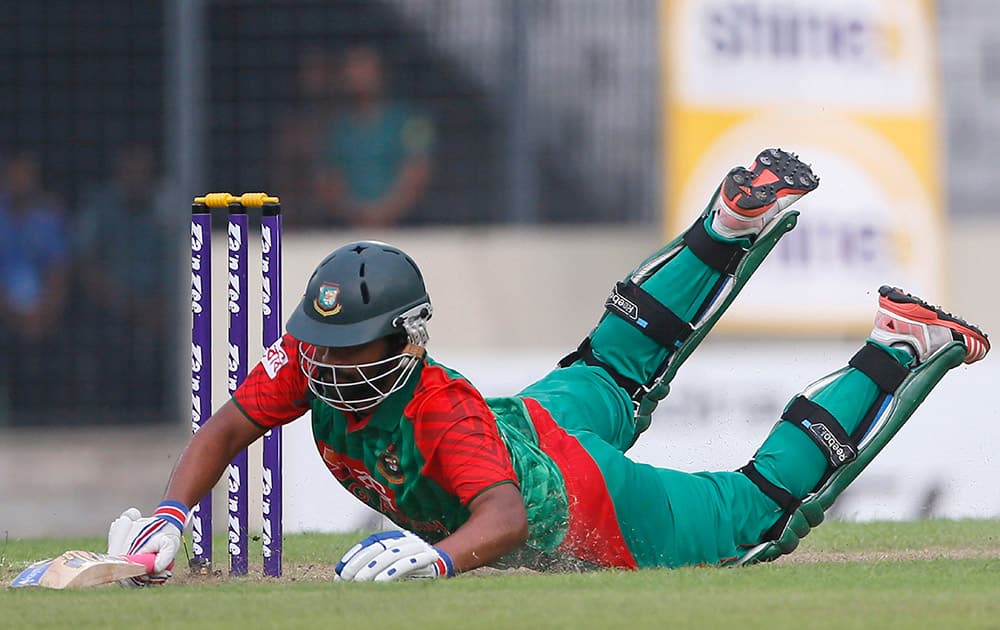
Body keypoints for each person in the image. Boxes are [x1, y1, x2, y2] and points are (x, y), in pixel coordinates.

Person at [108, 149, 990, 583]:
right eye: (323, 348)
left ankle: (900, 345)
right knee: (614, 365)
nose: (331, 367)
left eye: (354, 350)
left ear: (408, 340)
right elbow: (228, 427)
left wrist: (436, 562)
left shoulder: (438, 415)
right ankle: (726, 227)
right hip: (527, 416)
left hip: (569, 495)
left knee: (755, 517)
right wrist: (168, 516)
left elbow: (498, 516)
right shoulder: (309, 351)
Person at [74, 143, 176, 417]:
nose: (135, 175)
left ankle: (162, 413)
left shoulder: (166, 208)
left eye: (141, 169)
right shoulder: (100, 208)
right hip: (112, 306)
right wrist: (123, 303)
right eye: (129, 168)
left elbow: (181, 260)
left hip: (162, 307)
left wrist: (163, 303)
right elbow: (86, 265)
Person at [315, 45, 434, 228]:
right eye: (352, 67)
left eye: (364, 67)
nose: (357, 75)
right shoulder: (335, 129)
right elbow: (328, 180)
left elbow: (419, 170)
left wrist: (386, 213)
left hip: (406, 230)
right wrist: (357, 213)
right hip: (349, 231)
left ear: (381, 71)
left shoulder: (412, 121)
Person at [0, 151, 71, 417]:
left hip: (45, 312)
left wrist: (46, 311)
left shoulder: (47, 218)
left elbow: (59, 271)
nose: (21, 182)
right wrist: (12, 313)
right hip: (5, 311)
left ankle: (51, 414)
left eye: (26, 176)